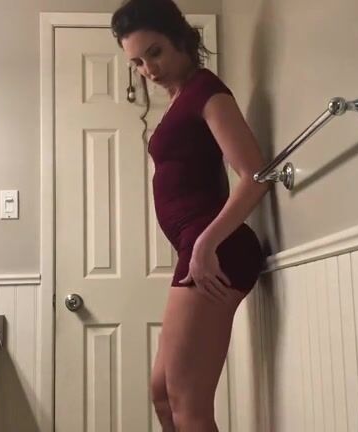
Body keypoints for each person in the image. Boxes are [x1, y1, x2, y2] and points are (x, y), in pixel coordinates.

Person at [112, 1, 268, 430]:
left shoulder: (206, 92)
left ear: (181, 38)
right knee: (163, 395)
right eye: (138, 62)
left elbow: (254, 176)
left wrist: (205, 244)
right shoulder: (182, 98)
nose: (149, 69)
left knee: (188, 404)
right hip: (199, 247)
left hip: (217, 249)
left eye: (155, 52)